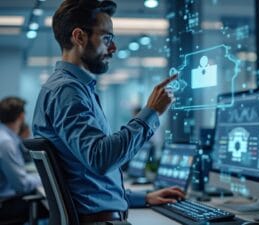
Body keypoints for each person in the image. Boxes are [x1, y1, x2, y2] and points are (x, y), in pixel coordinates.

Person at [32, 0, 184, 224]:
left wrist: (143, 198)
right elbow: (100, 158)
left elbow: (88, 181)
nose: (113, 48)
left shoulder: (73, 89)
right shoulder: (67, 91)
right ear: (79, 37)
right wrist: (151, 112)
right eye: (107, 38)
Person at [0, 97, 44, 222]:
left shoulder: (6, 136)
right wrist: (42, 177)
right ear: (22, 116)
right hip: (5, 204)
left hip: (6, 199)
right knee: (54, 205)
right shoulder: (6, 142)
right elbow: (22, 186)